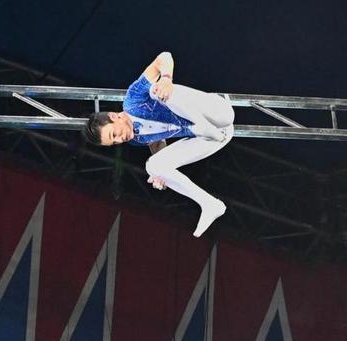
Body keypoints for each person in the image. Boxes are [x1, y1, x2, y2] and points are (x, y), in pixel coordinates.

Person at [82, 51, 235, 237]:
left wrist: (166, 78)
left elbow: (164, 56)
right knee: (153, 166)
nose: (119, 140)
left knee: (155, 91)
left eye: (114, 134)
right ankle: (210, 204)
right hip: (219, 136)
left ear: (114, 117)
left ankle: (200, 125)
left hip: (218, 112)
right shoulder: (136, 139)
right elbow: (157, 144)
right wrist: (163, 175)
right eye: (113, 142)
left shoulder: (133, 99)